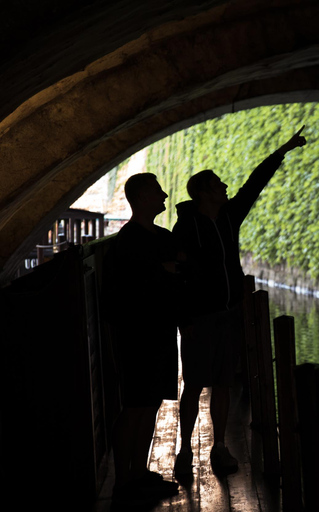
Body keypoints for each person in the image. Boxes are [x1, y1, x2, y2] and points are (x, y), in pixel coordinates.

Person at [172, 125, 307, 477]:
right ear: (203, 192)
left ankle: (219, 447)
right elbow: (176, 272)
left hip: (229, 314)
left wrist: (282, 151)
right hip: (200, 319)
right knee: (194, 386)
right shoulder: (186, 226)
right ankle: (184, 450)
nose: (225, 186)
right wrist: (184, 317)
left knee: (223, 383)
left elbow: (254, 183)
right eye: (217, 183)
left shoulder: (230, 217)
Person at [102, 173, 183, 505]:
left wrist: (166, 270)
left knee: (150, 404)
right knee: (135, 405)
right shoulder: (129, 240)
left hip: (159, 329)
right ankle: (124, 480)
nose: (164, 195)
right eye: (157, 191)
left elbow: (178, 268)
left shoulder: (154, 237)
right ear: (141, 198)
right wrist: (165, 271)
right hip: (137, 334)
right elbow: (134, 287)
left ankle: (138, 472)